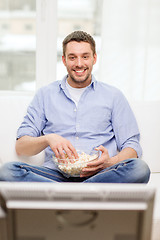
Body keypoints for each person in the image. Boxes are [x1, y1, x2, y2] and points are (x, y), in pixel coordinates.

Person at [0, 31, 150, 183]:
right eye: (72, 57)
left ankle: (66, 194)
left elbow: (132, 146)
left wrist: (110, 162)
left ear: (94, 58)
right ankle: (83, 194)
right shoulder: (45, 95)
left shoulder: (113, 96)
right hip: (55, 175)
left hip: (100, 174)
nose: (79, 64)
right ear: (64, 60)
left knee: (139, 169)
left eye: (85, 56)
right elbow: (21, 147)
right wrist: (48, 139)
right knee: (7, 171)